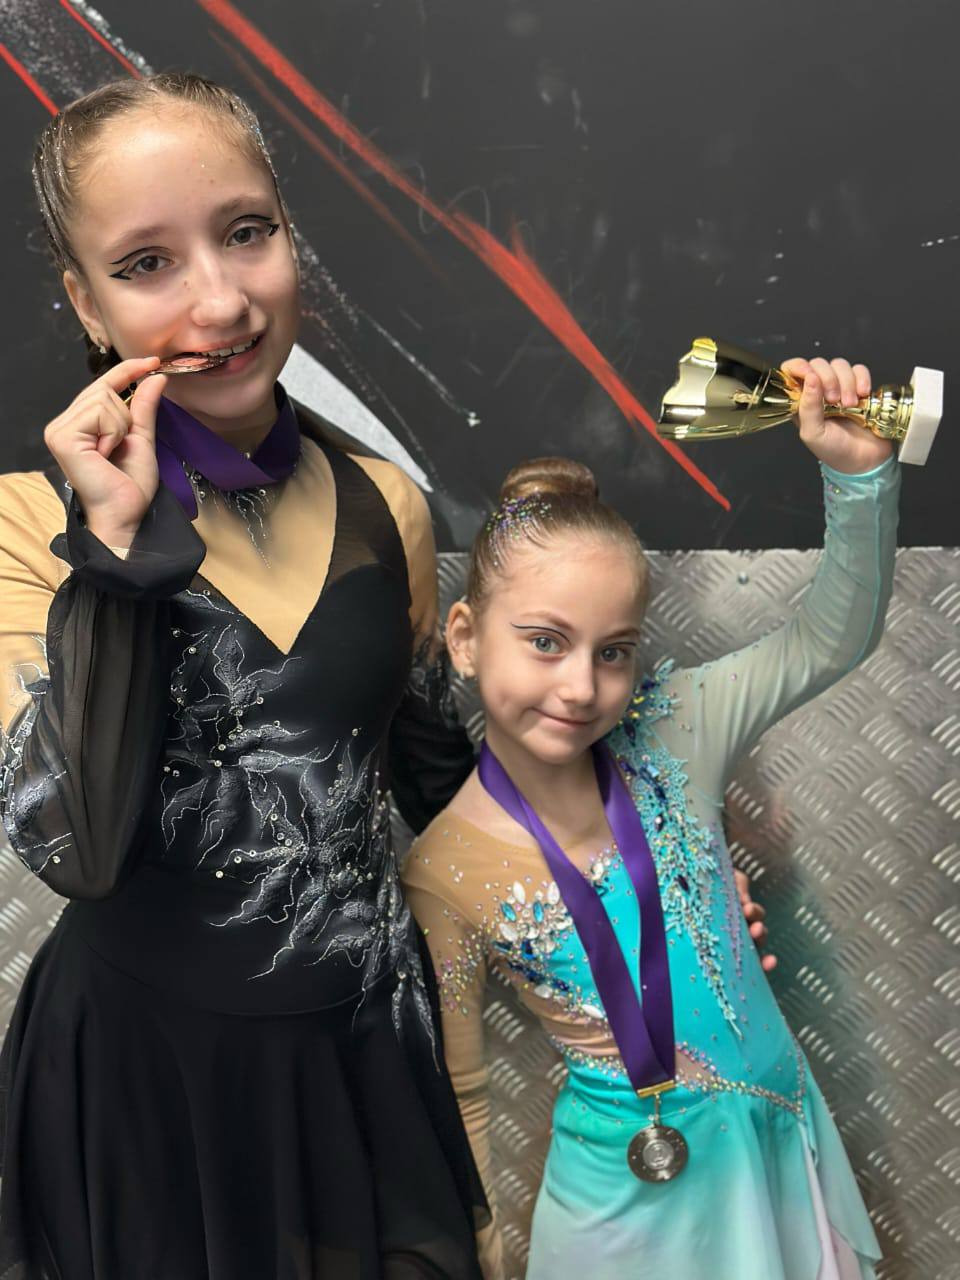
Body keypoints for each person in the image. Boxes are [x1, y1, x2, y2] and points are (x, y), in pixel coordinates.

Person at [0, 72, 487, 1280]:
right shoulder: (22, 527)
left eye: (247, 232)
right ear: (85, 299)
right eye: (146, 263)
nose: (221, 299)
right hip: (146, 1090)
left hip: (363, 1066)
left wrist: (649, 898)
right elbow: (78, 847)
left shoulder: (386, 501)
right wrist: (118, 555)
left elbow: (445, 788)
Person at [402, 356, 892, 1279]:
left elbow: (829, 639)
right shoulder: (443, 868)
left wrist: (858, 475)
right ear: (465, 637)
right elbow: (462, 1091)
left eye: (614, 652)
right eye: (544, 642)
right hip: (617, 1210)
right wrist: (486, 1259)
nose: (580, 687)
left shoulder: (676, 728)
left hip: (772, 1156)